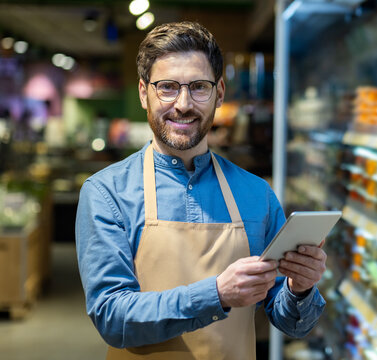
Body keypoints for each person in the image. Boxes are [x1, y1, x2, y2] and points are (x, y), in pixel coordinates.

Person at [75, 21, 327, 360]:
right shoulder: (107, 193)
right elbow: (112, 318)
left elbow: (292, 323)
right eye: (166, 87)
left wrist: (301, 289)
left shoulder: (257, 194)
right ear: (142, 93)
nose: (183, 104)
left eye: (198, 87)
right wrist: (217, 295)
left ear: (219, 93)